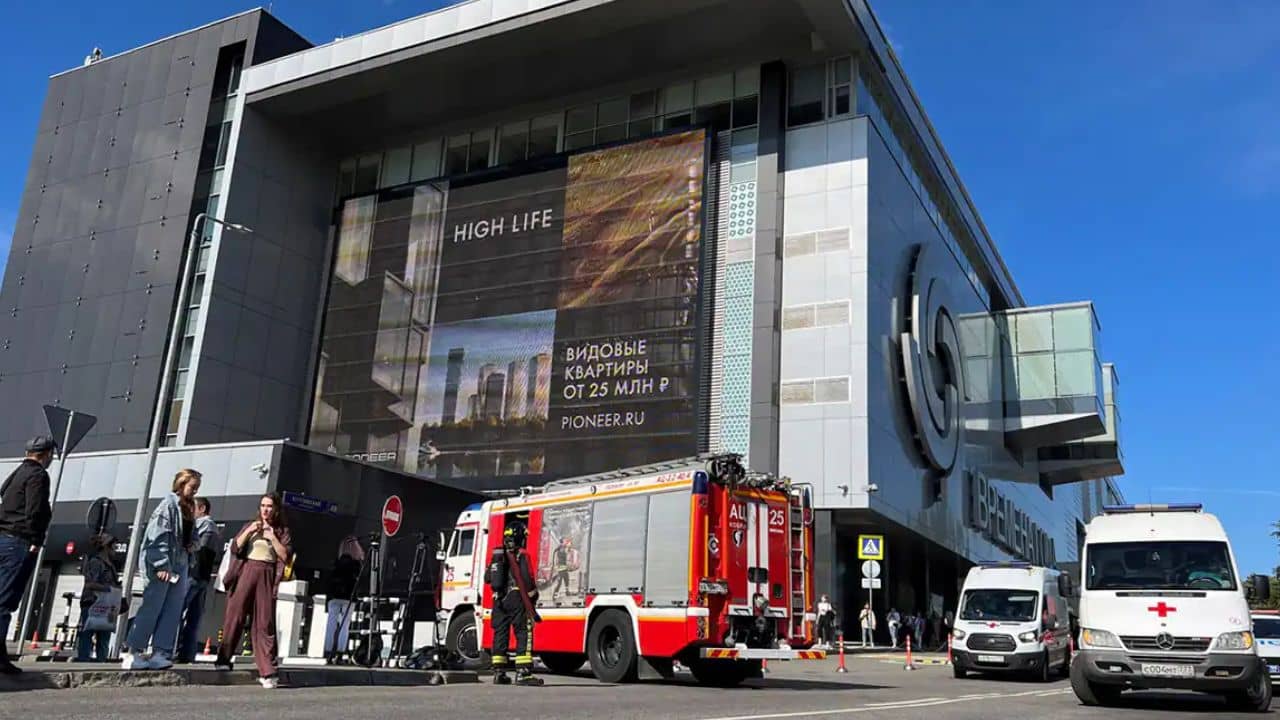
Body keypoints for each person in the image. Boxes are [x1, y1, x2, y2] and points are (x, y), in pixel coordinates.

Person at [123, 468, 201, 670]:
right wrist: (161, 564)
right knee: (152, 607)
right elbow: (158, 536)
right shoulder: (168, 506)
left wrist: (194, 544)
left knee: (172, 611)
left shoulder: (189, 507)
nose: (195, 491)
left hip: (181, 563)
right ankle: (134, 651)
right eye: (193, 487)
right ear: (181, 484)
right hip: (166, 564)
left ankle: (161, 652)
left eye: (197, 488)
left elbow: (192, 535)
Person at [215, 493, 292, 689]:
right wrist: (249, 530)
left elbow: (285, 555)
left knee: (264, 622)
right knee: (235, 616)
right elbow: (235, 548)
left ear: (275, 509)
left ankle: (268, 671)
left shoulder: (281, 530)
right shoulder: (251, 526)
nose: (265, 510)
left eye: (269, 506)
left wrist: (272, 537)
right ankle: (223, 660)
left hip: (267, 573)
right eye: (263, 506)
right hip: (246, 571)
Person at [0, 436, 55, 675]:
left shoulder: (17, 472)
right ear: (46, 454)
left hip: (3, 536)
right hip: (19, 541)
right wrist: (36, 539)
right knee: (5, 600)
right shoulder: (38, 476)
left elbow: (2, 494)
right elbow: (35, 509)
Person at [485, 522, 542, 686]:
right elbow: (527, 579)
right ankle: (523, 673)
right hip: (516, 597)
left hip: (498, 599)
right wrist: (533, 596)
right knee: (524, 631)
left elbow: (488, 578)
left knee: (500, 634)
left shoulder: (498, 556)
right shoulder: (522, 554)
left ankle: (499, 672)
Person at [176, 497, 220, 663]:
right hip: (203, 577)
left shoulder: (204, 526)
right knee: (194, 618)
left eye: (193, 508)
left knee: (177, 612)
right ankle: (187, 653)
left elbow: (196, 550)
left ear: (201, 508)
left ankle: (173, 650)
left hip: (192, 575)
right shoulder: (213, 528)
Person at [76, 533, 118, 662]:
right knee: (87, 636)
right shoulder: (96, 562)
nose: (115, 550)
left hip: (106, 606)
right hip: (92, 603)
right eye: (113, 547)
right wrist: (109, 589)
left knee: (104, 638)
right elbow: (90, 584)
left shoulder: (111, 565)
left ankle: (101, 662)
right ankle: (83, 663)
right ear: (106, 547)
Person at [323, 536, 364, 663]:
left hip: (334, 596)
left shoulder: (336, 562)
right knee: (345, 625)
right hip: (349, 597)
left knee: (331, 623)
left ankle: (328, 651)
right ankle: (340, 652)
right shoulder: (357, 563)